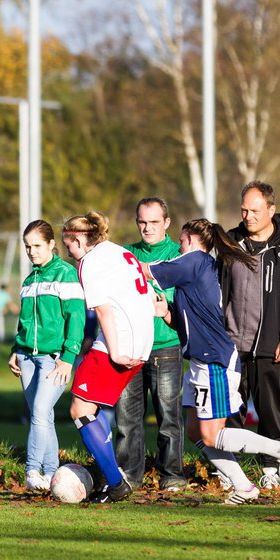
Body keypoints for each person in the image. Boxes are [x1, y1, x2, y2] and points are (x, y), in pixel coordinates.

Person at [140, 219, 280, 503]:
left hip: (213, 360)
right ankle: (245, 487)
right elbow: (191, 320)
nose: (178, 246)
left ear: (190, 239)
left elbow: (143, 268)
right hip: (201, 361)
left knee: (213, 435)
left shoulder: (194, 260)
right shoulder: (199, 267)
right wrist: (166, 312)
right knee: (195, 431)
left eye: (180, 240)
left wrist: (108, 258)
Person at [222, 181, 280, 488]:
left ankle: (271, 469)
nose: (247, 216)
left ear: (271, 210)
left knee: (270, 411)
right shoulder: (230, 242)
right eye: (244, 210)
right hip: (231, 344)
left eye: (254, 210)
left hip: (270, 345)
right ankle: (230, 471)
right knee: (230, 411)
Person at [62, 211, 155, 503]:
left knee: (79, 410)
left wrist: (114, 351)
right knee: (90, 409)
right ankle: (110, 476)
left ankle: (115, 482)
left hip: (119, 341)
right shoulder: (119, 251)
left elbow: (102, 310)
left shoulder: (88, 262)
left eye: (69, 245)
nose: (68, 251)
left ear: (79, 239)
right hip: (142, 340)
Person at [113, 197, 186, 491]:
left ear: (166, 223)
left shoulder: (180, 254)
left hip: (166, 346)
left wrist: (166, 307)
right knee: (126, 417)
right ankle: (128, 475)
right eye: (142, 222)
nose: (147, 227)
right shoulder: (126, 255)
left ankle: (172, 474)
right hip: (131, 348)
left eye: (154, 222)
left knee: (168, 416)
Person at [8, 220, 85, 490]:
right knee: (43, 416)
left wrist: (68, 357)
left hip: (54, 360)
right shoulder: (29, 280)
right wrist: (15, 350)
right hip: (27, 359)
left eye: (37, 245)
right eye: (28, 247)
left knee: (40, 411)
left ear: (52, 244)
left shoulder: (67, 274)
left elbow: (76, 319)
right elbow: (24, 323)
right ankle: (53, 476)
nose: (32, 252)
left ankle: (31, 471)